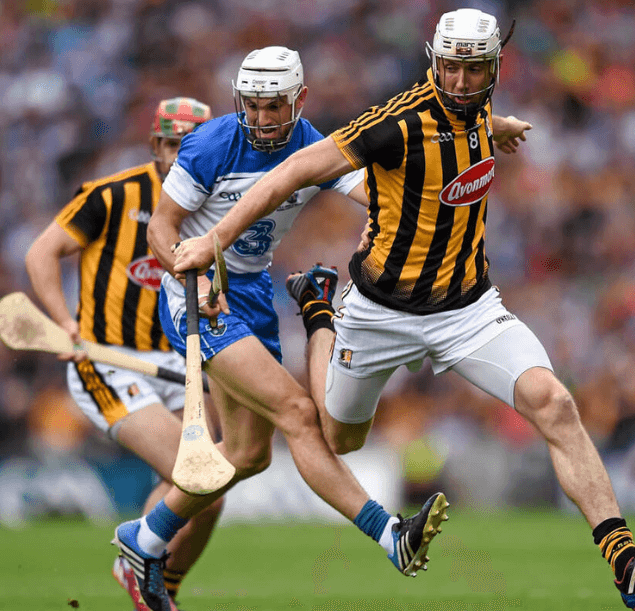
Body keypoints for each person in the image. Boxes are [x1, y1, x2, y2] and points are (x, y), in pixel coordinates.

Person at [172, 10, 635, 611]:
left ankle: (627, 562)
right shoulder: (395, 124)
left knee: (554, 402)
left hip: (467, 309)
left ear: (493, 68)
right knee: (340, 438)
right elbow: (290, 172)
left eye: (472, 69)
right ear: (433, 60)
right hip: (379, 313)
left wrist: (495, 125)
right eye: (448, 66)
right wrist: (214, 240)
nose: (458, 81)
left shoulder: (478, 113)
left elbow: (466, 121)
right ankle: (319, 312)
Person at [114, 46, 451, 611]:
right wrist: (191, 276)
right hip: (198, 299)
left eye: (275, 107)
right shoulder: (210, 144)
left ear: (300, 101)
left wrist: (405, 219)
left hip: (251, 293)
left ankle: (143, 539)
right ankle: (390, 535)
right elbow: (163, 227)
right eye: (253, 106)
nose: (264, 119)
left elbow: (373, 195)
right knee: (298, 413)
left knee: (247, 455)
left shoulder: (312, 143)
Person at [24, 97, 223, 610]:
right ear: (155, 145)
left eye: (194, 146)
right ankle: (135, 557)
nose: (183, 156)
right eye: (174, 145)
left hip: (178, 363)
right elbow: (41, 252)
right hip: (109, 362)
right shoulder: (111, 195)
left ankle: (161, 587)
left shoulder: (217, 204)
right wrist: (63, 323)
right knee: (193, 473)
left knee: (213, 489)